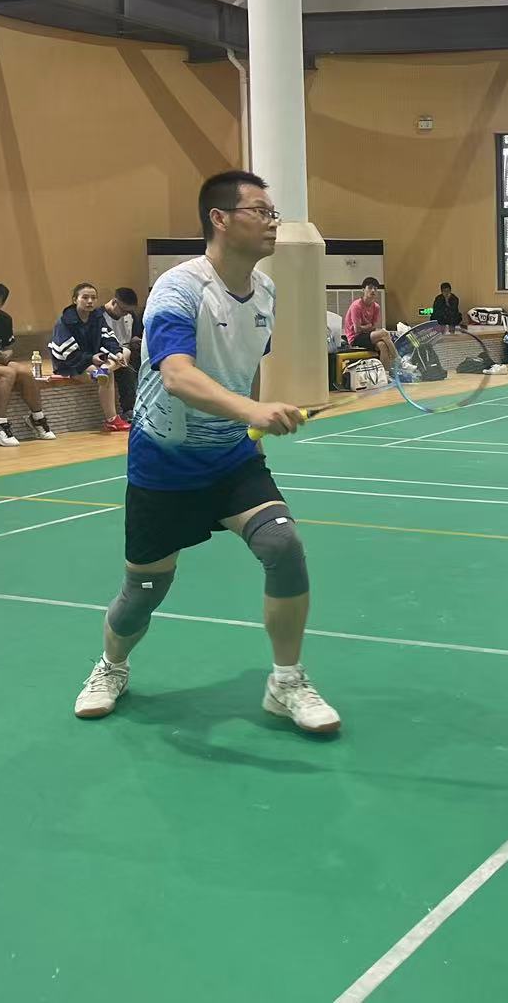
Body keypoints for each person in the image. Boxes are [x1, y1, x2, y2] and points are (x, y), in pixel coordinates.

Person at [72, 169, 338, 735]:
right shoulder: (179, 288)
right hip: (163, 463)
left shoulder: (266, 292)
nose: (273, 222)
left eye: (273, 213)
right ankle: (111, 666)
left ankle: (286, 680)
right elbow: (176, 375)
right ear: (220, 219)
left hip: (231, 460)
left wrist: (255, 417)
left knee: (283, 545)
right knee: (144, 592)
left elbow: (244, 368)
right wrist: (251, 411)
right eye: (261, 211)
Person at [0, 281, 56, 445]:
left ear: (1, 305)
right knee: (8, 373)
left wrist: (7, 354)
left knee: (26, 372)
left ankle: (37, 418)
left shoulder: (5, 319)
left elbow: (8, 347)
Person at [50, 282, 130, 432]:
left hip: (95, 358)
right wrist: (91, 358)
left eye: (93, 298)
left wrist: (116, 352)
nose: (90, 301)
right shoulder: (65, 321)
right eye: (85, 297)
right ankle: (112, 419)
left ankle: (104, 370)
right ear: (75, 300)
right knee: (106, 375)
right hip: (71, 363)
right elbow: (67, 353)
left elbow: (108, 337)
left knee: (125, 352)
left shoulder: (97, 317)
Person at [102, 287, 141, 419]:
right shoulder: (99, 317)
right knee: (127, 372)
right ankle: (128, 410)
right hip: (108, 355)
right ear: (114, 302)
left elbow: (134, 335)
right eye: (124, 310)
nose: (126, 314)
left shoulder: (131, 315)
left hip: (127, 353)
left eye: (129, 311)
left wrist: (135, 340)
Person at [343, 276, 398, 367]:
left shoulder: (376, 307)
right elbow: (357, 330)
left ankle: (385, 373)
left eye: (375, 288)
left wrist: (366, 327)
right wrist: (368, 326)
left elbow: (373, 326)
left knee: (382, 345)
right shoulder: (356, 306)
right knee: (384, 333)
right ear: (363, 290)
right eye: (370, 288)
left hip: (367, 335)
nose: (373, 291)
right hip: (355, 338)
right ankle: (399, 360)